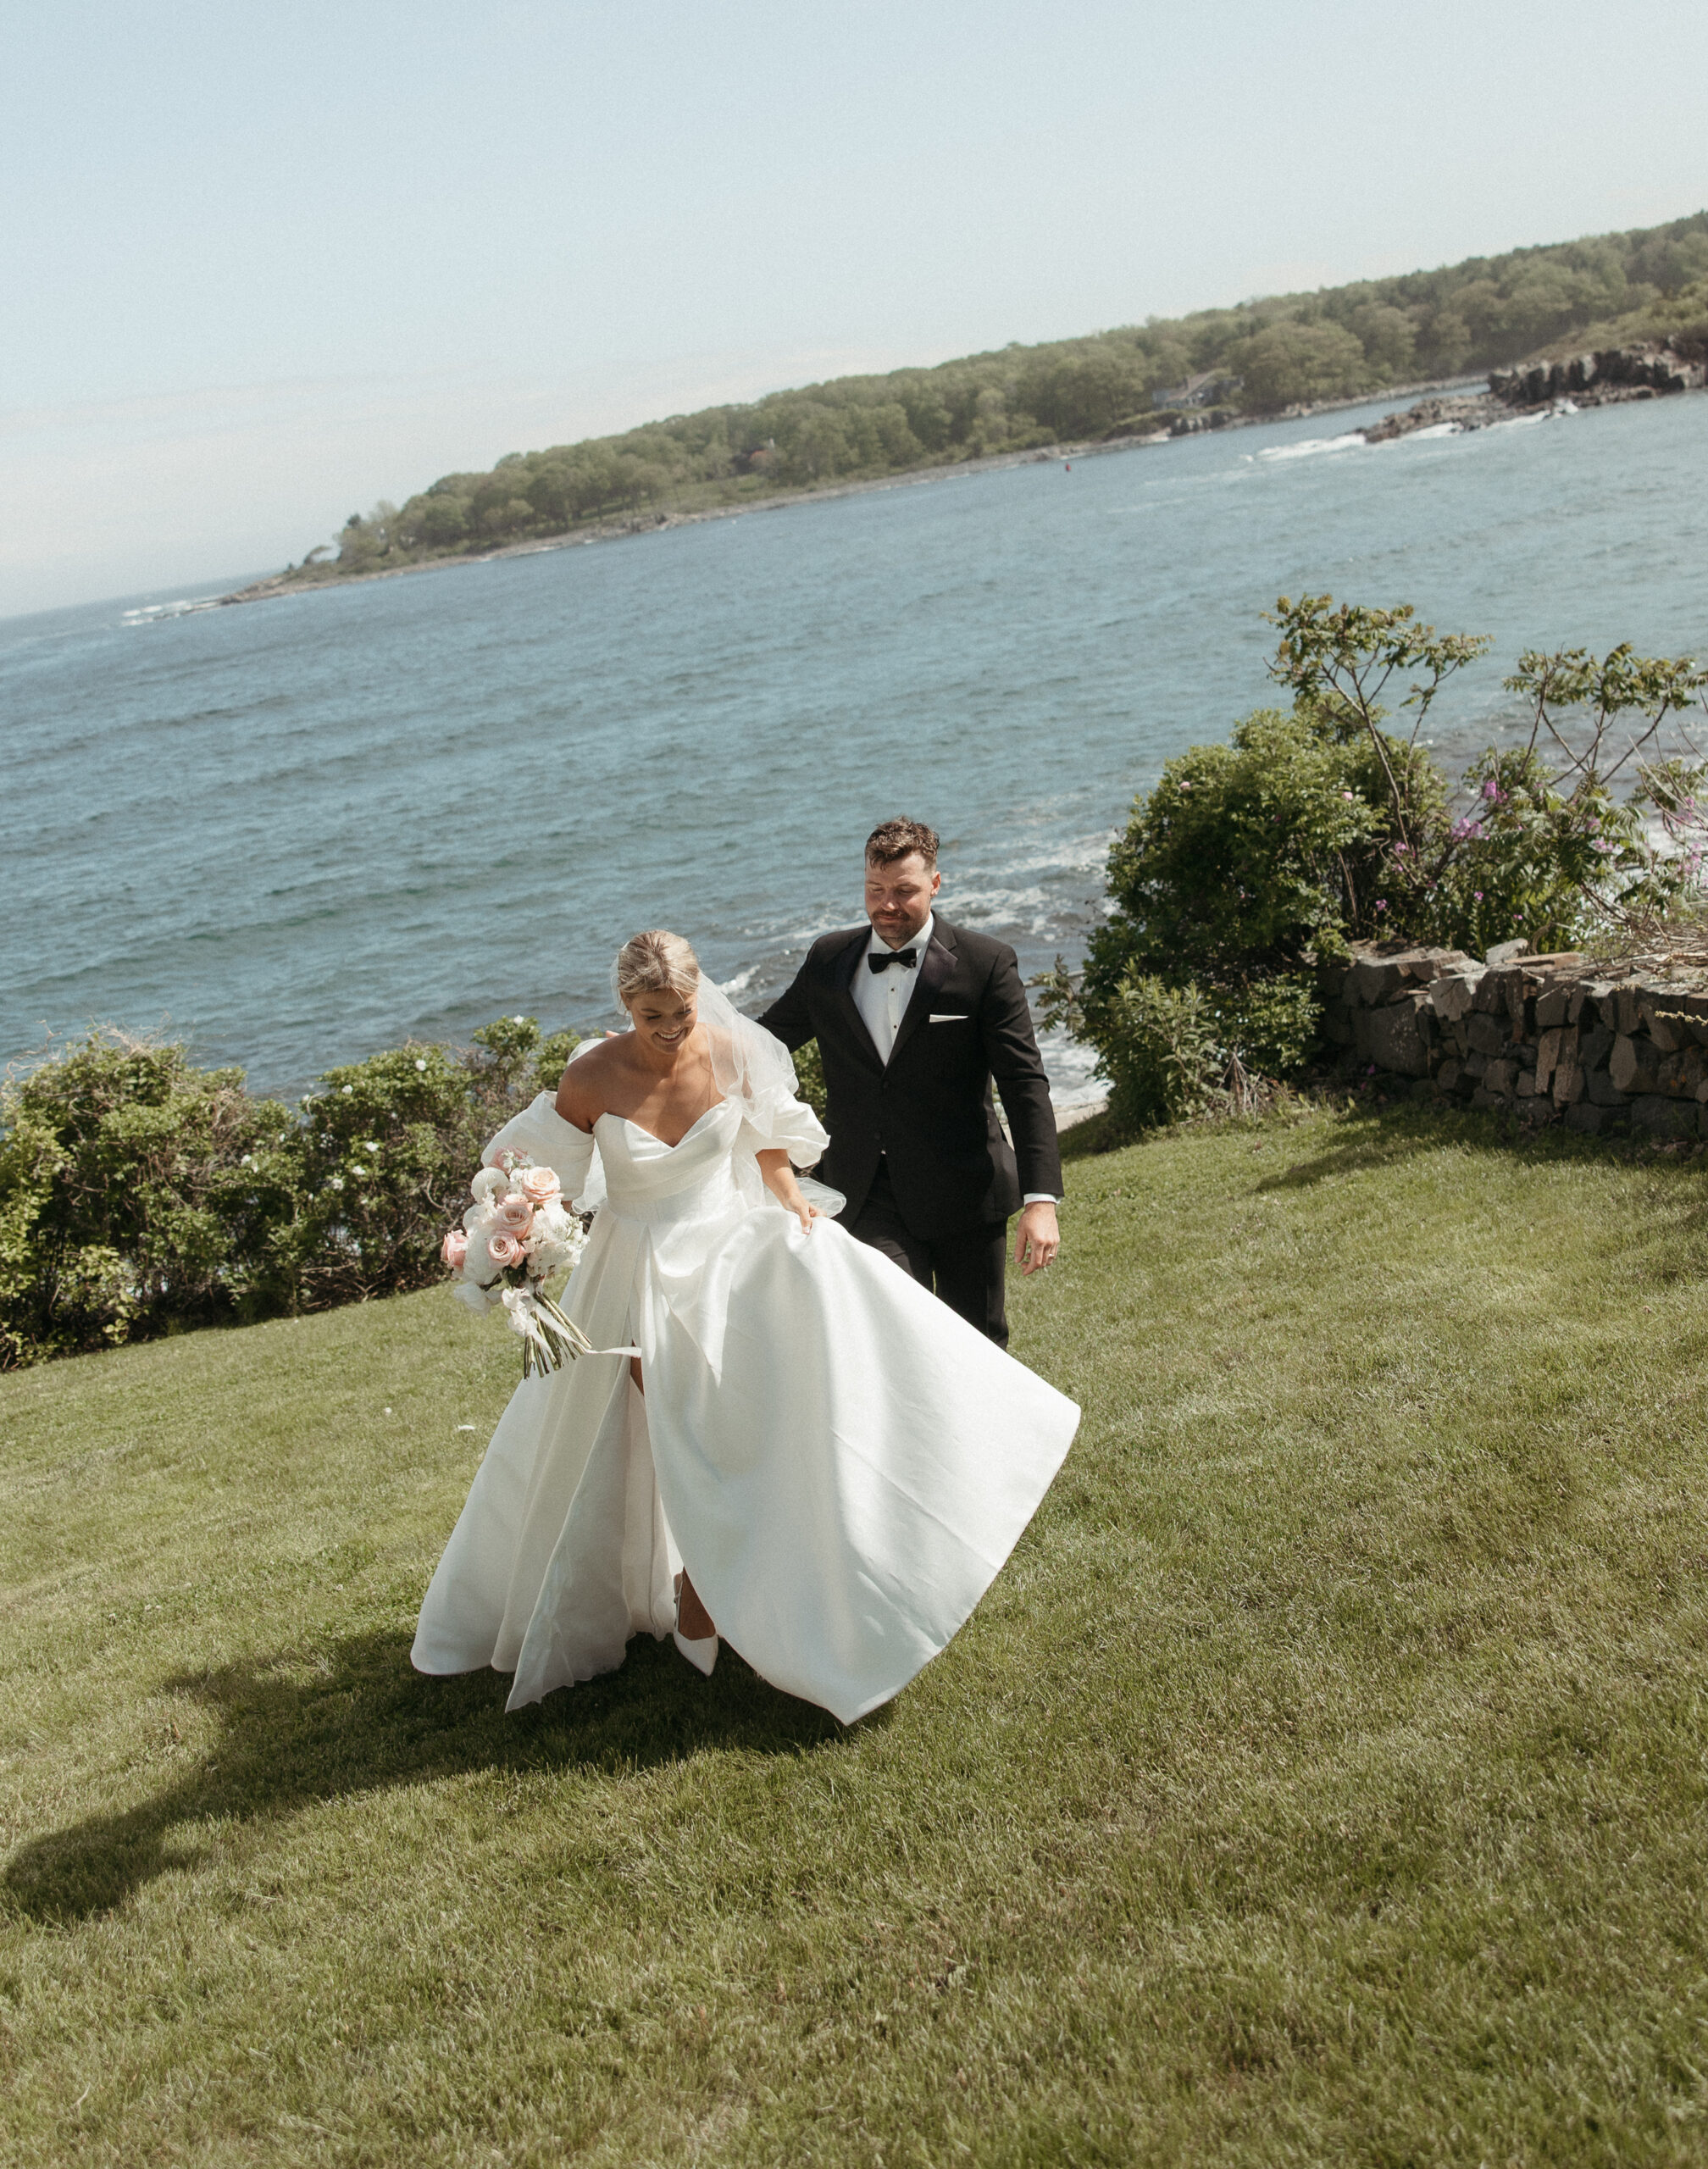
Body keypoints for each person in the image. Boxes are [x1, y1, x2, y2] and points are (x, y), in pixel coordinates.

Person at [411, 929, 1078, 1723]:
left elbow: (768, 1138)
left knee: (747, 1417)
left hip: (727, 1253)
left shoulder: (732, 1052)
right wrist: (520, 1240)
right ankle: (685, 1584)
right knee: (668, 1423)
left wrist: (789, 1193)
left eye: (682, 1010)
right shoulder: (591, 1074)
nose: (670, 1027)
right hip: (632, 1269)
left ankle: (732, 1584)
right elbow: (523, 1169)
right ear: (625, 1006)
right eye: (652, 1013)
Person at [758, 818, 1062, 1348]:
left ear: (935, 884)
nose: (887, 905)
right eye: (875, 891)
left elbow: (1024, 1084)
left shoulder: (986, 964)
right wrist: (662, 1040)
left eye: (904, 891)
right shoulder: (829, 960)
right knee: (898, 1333)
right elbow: (762, 1042)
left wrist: (1041, 1200)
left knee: (981, 1343)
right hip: (865, 1190)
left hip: (966, 1191)